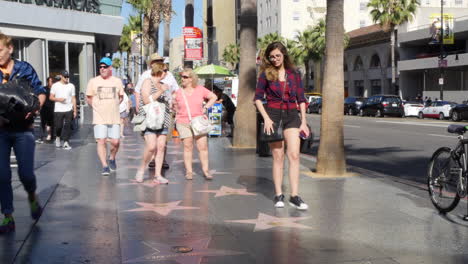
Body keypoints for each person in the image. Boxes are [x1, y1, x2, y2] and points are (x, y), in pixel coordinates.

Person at [254, 42, 310, 210]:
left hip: (292, 116)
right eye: (272, 57)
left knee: (294, 156)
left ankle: (295, 196)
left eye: (278, 55)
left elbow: (301, 98)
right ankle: (278, 194)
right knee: (278, 157)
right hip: (272, 114)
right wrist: (266, 118)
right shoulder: (265, 74)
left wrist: (304, 122)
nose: (275, 59)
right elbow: (257, 98)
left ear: (284, 55)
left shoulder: (294, 74)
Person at [0, 32, 46, 234]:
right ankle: (8, 216)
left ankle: (32, 196)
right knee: (1, 175)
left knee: (26, 174)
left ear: (10, 48)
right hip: (0, 131)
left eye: (0, 50)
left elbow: (41, 92)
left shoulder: (24, 69)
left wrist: (35, 110)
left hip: (24, 130)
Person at [135, 53, 179, 170]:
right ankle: (147, 164)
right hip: (149, 114)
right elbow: (139, 92)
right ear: (152, 64)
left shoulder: (168, 76)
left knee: (162, 143)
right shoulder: (146, 76)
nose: (160, 63)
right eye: (156, 61)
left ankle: (160, 166)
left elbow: (176, 91)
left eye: (160, 60)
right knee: (151, 145)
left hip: (164, 113)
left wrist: (173, 102)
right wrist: (138, 107)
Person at [173, 69, 217, 180]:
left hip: (198, 121)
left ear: (192, 78)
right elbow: (173, 106)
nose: (182, 79)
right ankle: (189, 172)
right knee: (188, 147)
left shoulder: (200, 89)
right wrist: (173, 107)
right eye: (182, 77)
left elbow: (214, 97)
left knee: (202, 147)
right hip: (183, 122)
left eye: (185, 77)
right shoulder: (178, 92)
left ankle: (206, 171)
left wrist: (205, 107)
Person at [86, 57, 124, 175]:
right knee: (101, 141)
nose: (102, 69)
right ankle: (105, 166)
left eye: (105, 67)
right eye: (101, 67)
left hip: (114, 117)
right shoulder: (93, 81)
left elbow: (121, 96)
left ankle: (112, 157)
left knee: (115, 142)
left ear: (110, 68)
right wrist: (96, 106)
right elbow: (89, 97)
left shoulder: (117, 81)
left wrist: (115, 104)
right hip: (99, 117)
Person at [135, 63, 170, 184]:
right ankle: (141, 169)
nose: (167, 73)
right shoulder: (147, 82)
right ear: (160, 71)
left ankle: (158, 175)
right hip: (149, 119)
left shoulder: (162, 85)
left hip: (162, 119)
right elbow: (145, 100)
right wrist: (161, 91)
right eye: (166, 70)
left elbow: (163, 102)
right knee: (151, 147)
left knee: (161, 147)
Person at [49, 70, 77, 150]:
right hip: (58, 109)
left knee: (68, 125)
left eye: (68, 76)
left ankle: (66, 142)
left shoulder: (71, 86)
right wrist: (59, 99)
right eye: (65, 76)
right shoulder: (55, 85)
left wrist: (75, 110)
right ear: (61, 76)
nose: (67, 78)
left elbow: (73, 98)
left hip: (69, 108)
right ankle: (57, 137)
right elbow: (51, 97)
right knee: (58, 126)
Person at [37, 76, 55, 143]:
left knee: (51, 123)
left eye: (53, 81)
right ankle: (40, 137)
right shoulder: (44, 89)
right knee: (42, 123)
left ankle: (52, 136)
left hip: (52, 109)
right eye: (51, 81)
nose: (52, 83)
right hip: (44, 108)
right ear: (48, 82)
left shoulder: (55, 89)